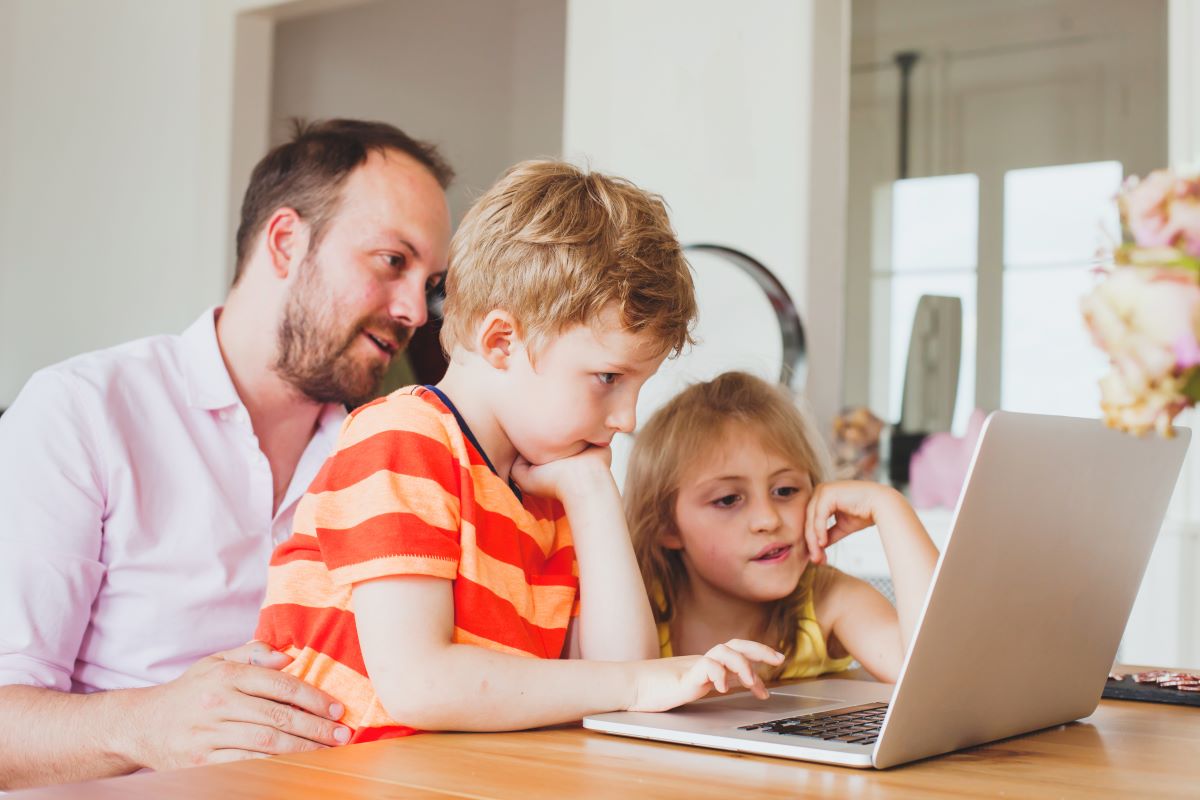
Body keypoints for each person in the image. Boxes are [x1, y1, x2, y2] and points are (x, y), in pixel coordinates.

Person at [254, 160, 784, 741]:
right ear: (501, 341)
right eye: (608, 378)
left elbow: (617, 675)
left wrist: (591, 495)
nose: (628, 419)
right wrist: (636, 684)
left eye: (638, 386)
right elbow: (420, 684)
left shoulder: (549, 482)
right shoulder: (405, 438)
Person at [0, 119, 454, 788]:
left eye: (431, 281)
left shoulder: (386, 455)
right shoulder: (82, 411)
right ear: (285, 241)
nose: (416, 310)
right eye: (393, 262)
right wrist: (147, 725)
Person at [626, 371, 939, 682]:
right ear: (667, 526)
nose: (768, 520)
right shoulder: (639, 612)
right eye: (728, 500)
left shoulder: (828, 598)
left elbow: (932, 676)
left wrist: (888, 506)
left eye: (785, 491)